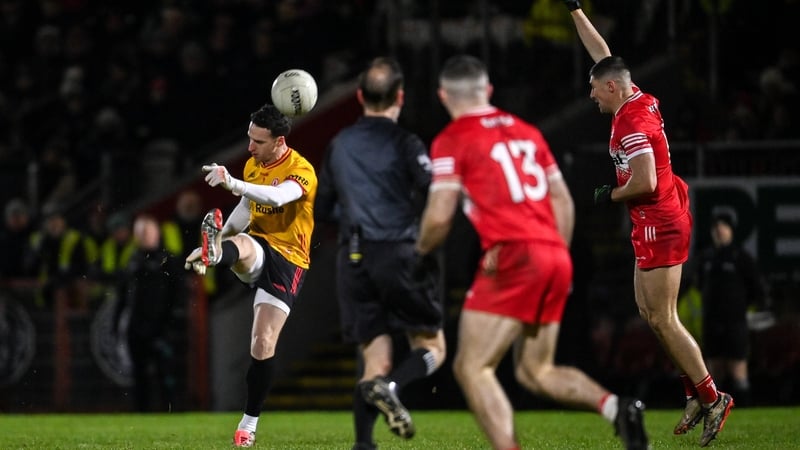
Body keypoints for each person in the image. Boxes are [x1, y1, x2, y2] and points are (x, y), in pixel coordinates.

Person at [414, 54, 648, 450]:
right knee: (534, 370)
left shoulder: (451, 139)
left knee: (471, 366)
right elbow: (563, 202)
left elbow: (438, 218)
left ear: (443, 96)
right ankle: (617, 407)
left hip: (514, 256)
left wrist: (417, 252)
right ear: (488, 91)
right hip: (554, 254)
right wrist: (557, 255)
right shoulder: (526, 132)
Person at [562, 0, 734, 445]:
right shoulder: (634, 96)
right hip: (658, 217)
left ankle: (712, 397)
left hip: (660, 218)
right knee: (652, 315)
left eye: (595, 89)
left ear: (614, 89)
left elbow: (644, 181)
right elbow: (602, 54)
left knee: (663, 317)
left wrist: (608, 193)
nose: (591, 95)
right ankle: (695, 390)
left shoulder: (630, 121)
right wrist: (575, 10)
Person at [314, 56, 446, 450]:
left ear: (359, 96)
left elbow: (322, 210)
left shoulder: (339, 144)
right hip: (400, 253)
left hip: (353, 258)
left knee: (373, 357)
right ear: (400, 96)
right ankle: (392, 388)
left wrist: (353, 215)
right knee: (432, 345)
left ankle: (363, 444)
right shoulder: (406, 143)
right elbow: (433, 190)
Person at [184, 103, 317, 448]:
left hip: (290, 260)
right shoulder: (253, 165)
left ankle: (248, 425)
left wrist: (234, 184)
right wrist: (216, 244)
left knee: (262, 344)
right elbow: (246, 209)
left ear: (279, 141)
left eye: (258, 141)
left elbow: (276, 197)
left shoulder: (302, 169)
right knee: (242, 243)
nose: (249, 147)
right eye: (249, 138)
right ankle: (218, 253)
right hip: (258, 246)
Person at [113, 214, 185, 412]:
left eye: (148, 231)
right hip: (136, 326)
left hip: (162, 326)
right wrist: (116, 321)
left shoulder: (168, 260)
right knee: (139, 374)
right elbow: (122, 294)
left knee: (166, 373)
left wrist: (171, 322)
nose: (145, 236)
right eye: (141, 232)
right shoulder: (131, 260)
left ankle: (171, 413)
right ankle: (141, 413)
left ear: (156, 233)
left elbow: (178, 294)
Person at [695, 213, 767, 406]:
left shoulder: (742, 258)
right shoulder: (705, 258)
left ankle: (745, 411)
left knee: (737, 369)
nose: (720, 231)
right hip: (711, 322)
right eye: (716, 228)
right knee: (714, 371)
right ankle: (715, 414)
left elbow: (756, 290)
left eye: (724, 227)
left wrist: (740, 307)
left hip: (735, 323)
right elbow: (699, 286)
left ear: (731, 231)